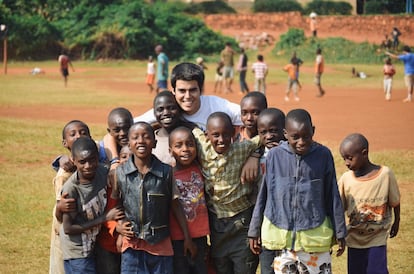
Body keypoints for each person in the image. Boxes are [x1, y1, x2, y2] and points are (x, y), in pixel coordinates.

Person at [248, 109, 347, 274]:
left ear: (313, 131)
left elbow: (332, 194)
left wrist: (340, 231)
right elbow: (264, 194)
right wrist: (254, 230)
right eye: (295, 137)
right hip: (282, 238)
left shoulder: (323, 156)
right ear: (285, 134)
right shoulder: (274, 156)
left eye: (306, 136)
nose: (301, 142)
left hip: (314, 239)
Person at [111, 122, 196, 274]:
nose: (141, 141)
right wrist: (119, 227)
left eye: (146, 136)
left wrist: (187, 237)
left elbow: (176, 206)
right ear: (129, 144)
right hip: (132, 245)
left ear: (155, 142)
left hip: (160, 245)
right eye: (135, 137)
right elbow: (117, 205)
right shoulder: (120, 173)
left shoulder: (166, 172)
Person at [193, 112, 261, 274]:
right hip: (217, 225)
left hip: (241, 221)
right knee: (221, 266)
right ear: (207, 135)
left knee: (244, 267)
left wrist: (255, 155)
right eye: (215, 135)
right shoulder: (202, 146)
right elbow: (190, 126)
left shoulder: (242, 148)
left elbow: (265, 137)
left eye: (226, 134)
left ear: (233, 134)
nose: (221, 139)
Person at [59, 137, 124, 274]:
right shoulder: (71, 189)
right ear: (74, 160)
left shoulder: (102, 172)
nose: (88, 166)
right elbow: (68, 228)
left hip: (92, 246)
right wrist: (104, 218)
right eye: (82, 162)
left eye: (92, 160)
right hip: (77, 252)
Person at [338, 133, 400, 274]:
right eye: (344, 159)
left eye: (349, 158)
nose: (346, 163)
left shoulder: (385, 175)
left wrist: (397, 221)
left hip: (377, 238)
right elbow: (338, 208)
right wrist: (339, 234)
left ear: (364, 153)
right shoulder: (346, 179)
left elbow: (395, 202)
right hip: (354, 239)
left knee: (377, 270)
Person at [135, 62, 242, 132]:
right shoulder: (168, 110)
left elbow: (254, 118)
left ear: (201, 90)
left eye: (192, 90)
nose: (187, 97)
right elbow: (129, 124)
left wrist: (253, 154)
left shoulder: (219, 107)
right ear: (173, 91)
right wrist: (117, 158)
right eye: (182, 91)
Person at [49, 120, 91, 274]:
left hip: (86, 234)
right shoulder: (64, 175)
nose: (79, 136)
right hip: (66, 234)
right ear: (65, 143)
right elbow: (62, 210)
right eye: (73, 134)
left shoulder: (92, 163)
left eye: (83, 132)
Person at [169, 126, 210, 274]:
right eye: (178, 146)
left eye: (190, 144)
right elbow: (175, 206)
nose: (185, 149)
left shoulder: (200, 168)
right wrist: (187, 238)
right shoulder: (170, 175)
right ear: (170, 151)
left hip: (200, 235)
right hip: (180, 238)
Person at [250, 108, 286, 274]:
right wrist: (255, 229)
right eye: (263, 132)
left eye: (273, 131)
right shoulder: (255, 157)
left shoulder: (293, 156)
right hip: (265, 226)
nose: (269, 136)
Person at [152, 90, 195, 166]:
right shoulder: (151, 140)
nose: (166, 113)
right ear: (154, 113)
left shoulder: (192, 134)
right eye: (160, 109)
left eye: (171, 108)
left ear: (180, 110)